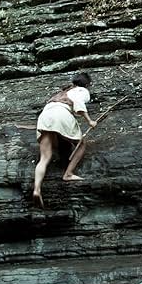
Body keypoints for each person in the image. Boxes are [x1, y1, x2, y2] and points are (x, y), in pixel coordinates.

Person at [32, 72, 97, 208]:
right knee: (81, 144)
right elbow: (79, 104)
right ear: (87, 84)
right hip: (61, 113)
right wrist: (90, 121)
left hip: (45, 115)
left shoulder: (63, 92)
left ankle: (37, 189)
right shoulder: (82, 90)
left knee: (44, 158)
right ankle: (68, 174)